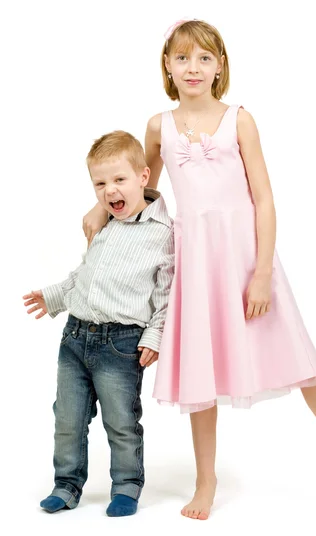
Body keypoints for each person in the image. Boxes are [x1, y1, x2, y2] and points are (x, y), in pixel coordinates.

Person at [82, 20, 316, 520]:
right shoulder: (159, 126)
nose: (193, 68)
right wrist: (101, 207)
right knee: (201, 373)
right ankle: (207, 481)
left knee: (302, 361)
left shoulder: (239, 120)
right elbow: (144, 185)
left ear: (220, 65)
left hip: (246, 257)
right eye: (183, 58)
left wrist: (263, 271)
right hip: (196, 263)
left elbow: (265, 198)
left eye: (204, 58)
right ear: (167, 65)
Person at [23, 131, 174, 517]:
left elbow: (165, 295)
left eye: (119, 179)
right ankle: (67, 484)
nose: (110, 191)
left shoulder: (164, 234)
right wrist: (54, 296)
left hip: (121, 344)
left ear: (144, 176)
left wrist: (154, 337)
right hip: (75, 337)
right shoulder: (105, 224)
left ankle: (126, 486)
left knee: (121, 421)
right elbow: (84, 274)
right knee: (68, 419)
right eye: (100, 183)